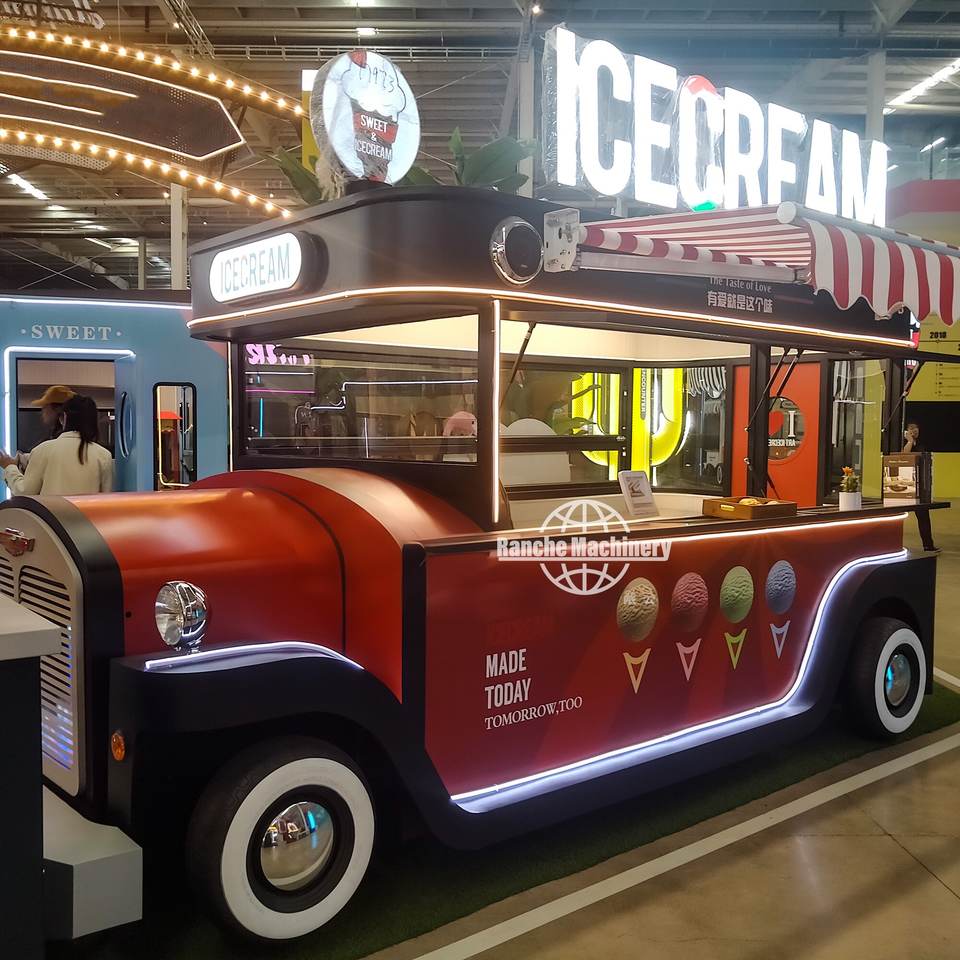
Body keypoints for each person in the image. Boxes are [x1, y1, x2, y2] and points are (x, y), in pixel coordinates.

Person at [0, 395, 113, 496]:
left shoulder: (42, 450)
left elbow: (24, 491)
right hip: (87, 514)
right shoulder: (103, 455)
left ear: (63, 418)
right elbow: (106, 499)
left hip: (50, 514)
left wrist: (9, 467)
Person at [902, 421, 937, 552]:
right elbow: (904, 455)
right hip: (906, 484)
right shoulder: (904, 442)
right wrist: (909, 441)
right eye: (911, 428)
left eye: (916, 428)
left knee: (924, 516)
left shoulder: (921, 444)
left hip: (920, 485)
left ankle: (928, 545)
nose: (915, 430)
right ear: (906, 431)